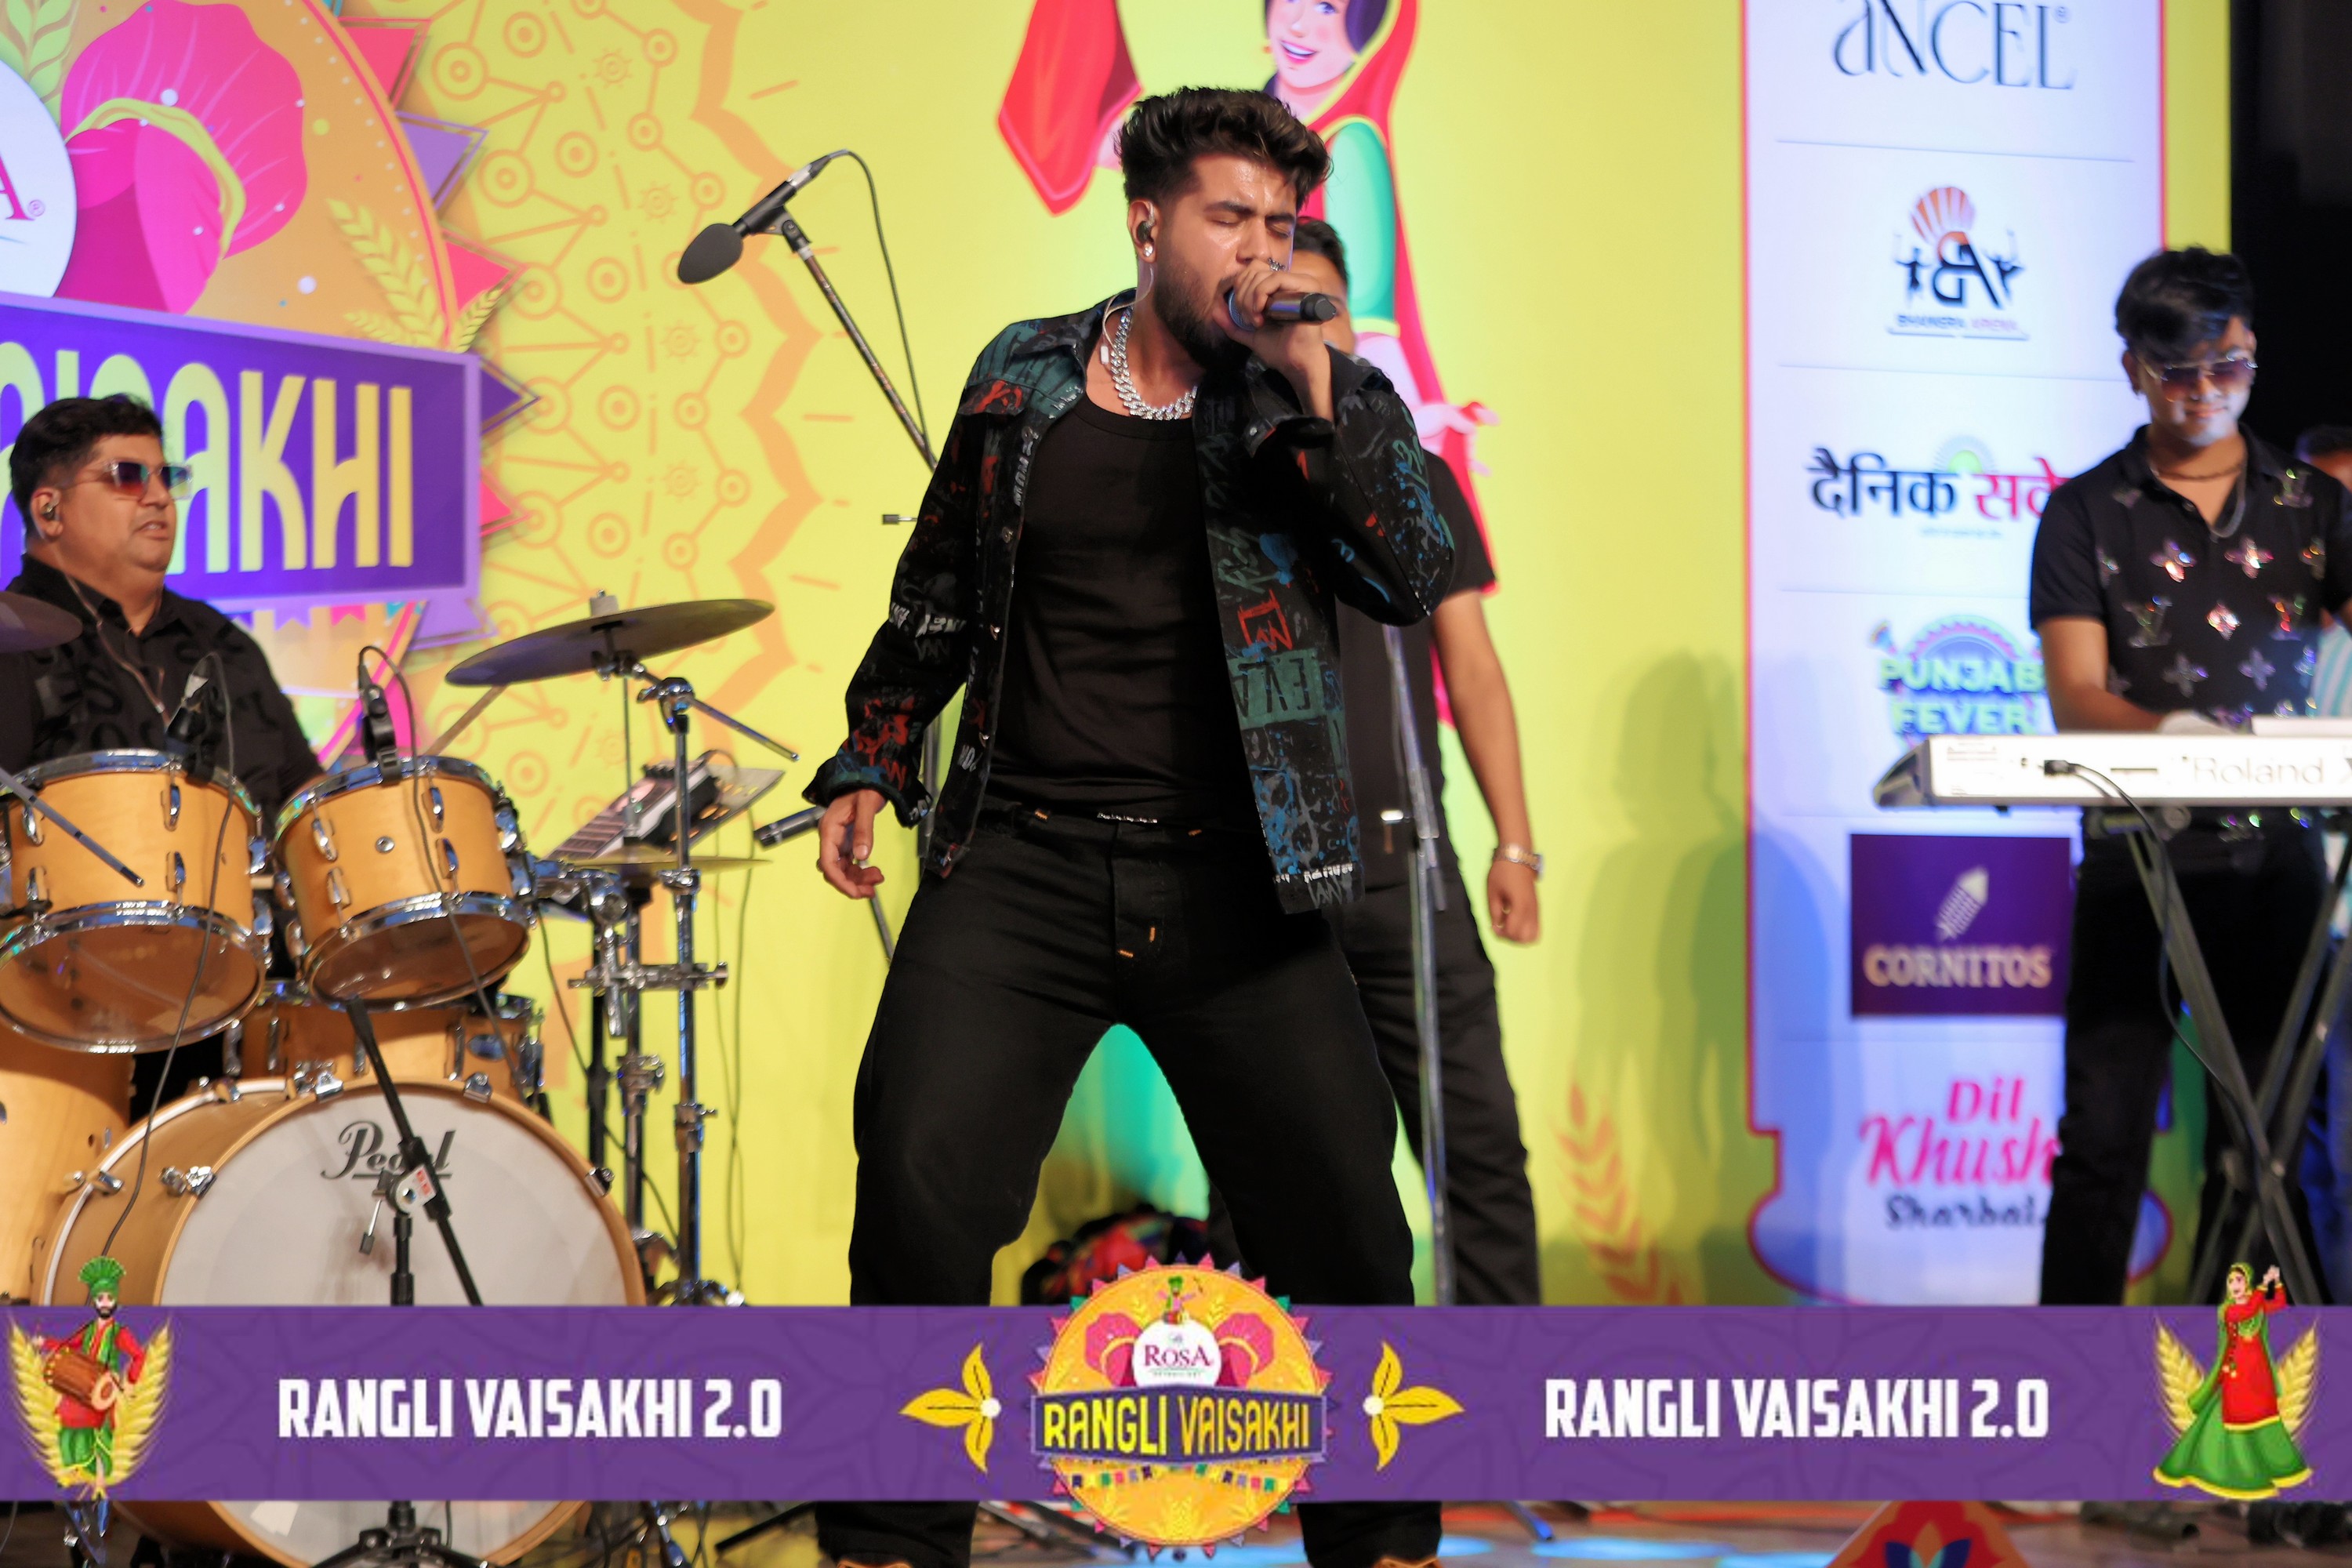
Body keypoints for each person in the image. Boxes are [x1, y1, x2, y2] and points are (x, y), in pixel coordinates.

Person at [803, 89, 1450, 1568]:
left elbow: (1408, 570)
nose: (1260, 250)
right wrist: (871, 760)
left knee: (1351, 1235)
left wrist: (1319, 385)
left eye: (1280, 223)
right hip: (1021, 864)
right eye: (1230, 218)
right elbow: (937, 590)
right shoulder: (1022, 377)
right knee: (914, 1190)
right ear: (1149, 223)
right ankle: (889, 1544)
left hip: (1238, 882)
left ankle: (1388, 1545)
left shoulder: (1311, 395)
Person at [1205, 218, 1542, 1306]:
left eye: (1326, 305)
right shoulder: (1218, 476)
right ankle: (1259, 1396)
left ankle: (1502, 1387)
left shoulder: (1413, 478)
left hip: (1408, 870)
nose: (1307, 325)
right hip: (1265, 879)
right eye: (1281, 304)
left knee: (1476, 1147)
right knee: (1262, 1176)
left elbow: (1473, 670)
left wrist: (1517, 845)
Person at [2029, 247, 2352, 1305]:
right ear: (2133, 368)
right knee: (2104, 1134)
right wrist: (2180, 736)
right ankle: (2069, 1392)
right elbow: (2077, 696)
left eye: (2233, 365)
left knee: (2270, 1143)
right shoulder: (2085, 512)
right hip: (2139, 851)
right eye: (2180, 372)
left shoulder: (2314, 504)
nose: (2208, 391)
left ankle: (2250, 1388)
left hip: (2277, 854)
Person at [0, 394, 320, 1102]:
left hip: (247, 1007)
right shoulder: (11, 644)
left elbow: (305, 807)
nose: (157, 498)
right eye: (125, 476)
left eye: (165, 477)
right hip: (67, 1015)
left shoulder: (223, 644)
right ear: (49, 511)